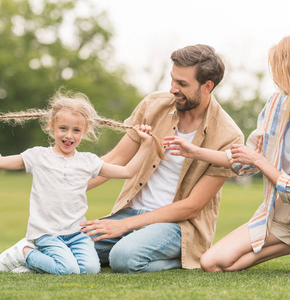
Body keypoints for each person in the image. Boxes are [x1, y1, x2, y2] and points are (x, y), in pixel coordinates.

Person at [164, 33, 290, 277]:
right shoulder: (276, 105)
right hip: (281, 213)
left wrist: (259, 161)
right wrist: (195, 151)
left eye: (278, 66)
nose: (275, 74)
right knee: (213, 262)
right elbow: (245, 162)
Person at [79, 44, 244, 272]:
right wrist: (72, 186)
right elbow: (116, 159)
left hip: (177, 226)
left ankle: (187, 258)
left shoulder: (229, 135)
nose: (172, 89)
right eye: (173, 80)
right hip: (130, 212)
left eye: (182, 84)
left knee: (123, 258)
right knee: (69, 245)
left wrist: (123, 227)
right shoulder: (152, 105)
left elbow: (192, 207)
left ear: (207, 86)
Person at [0, 91, 154, 275]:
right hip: (46, 234)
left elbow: (128, 172)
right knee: (68, 269)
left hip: (77, 234)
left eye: (76, 130)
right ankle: (24, 253)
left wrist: (145, 145)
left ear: (85, 131)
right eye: (63, 128)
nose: (69, 136)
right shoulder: (38, 156)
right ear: (52, 126)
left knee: (90, 269)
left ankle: (40, 263)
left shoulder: (89, 161)